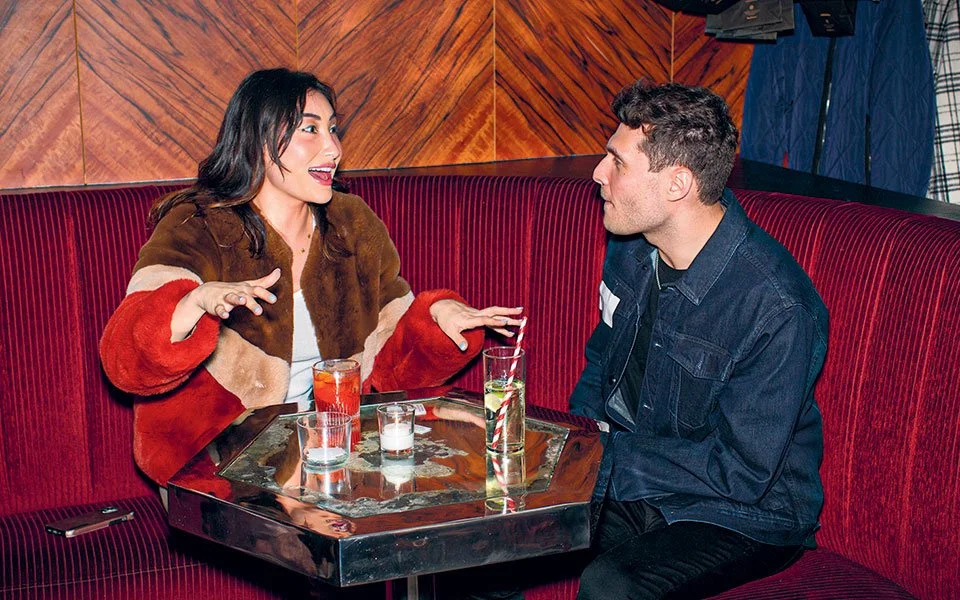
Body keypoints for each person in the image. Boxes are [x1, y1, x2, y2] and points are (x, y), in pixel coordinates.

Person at [100, 68, 522, 491]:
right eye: (310, 129)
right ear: (260, 141)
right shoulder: (197, 227)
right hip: (215, 464)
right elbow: (125, 362)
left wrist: (435, 319)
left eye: (334, 129)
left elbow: (393, 376)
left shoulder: (352, 222)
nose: (333, 147)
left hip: (334, 455)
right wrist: (192, 304)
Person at [568, 80, 828, 599]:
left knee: (613, 586)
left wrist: (602, 459)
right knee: (498, 545)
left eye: (616, 162)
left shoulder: (776, 305)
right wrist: (572, 444)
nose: (597, 174)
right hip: (641, 477)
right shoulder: (633, 247)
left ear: (677, 184)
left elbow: (744, 471)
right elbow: (602, 358)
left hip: (742, 513)